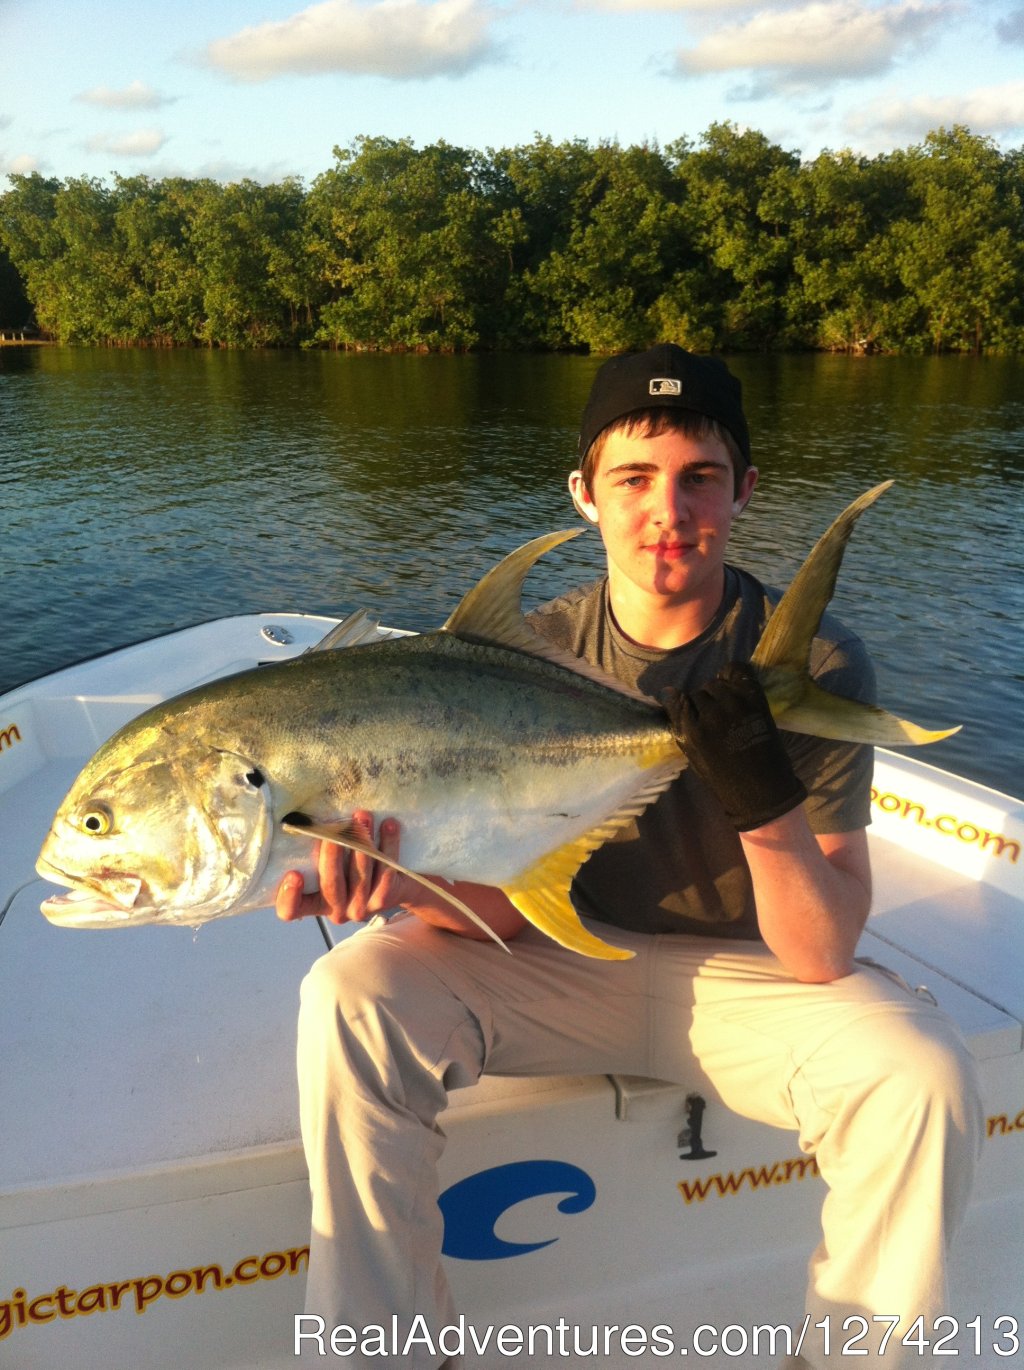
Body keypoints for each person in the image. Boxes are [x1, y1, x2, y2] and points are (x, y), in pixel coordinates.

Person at [276, 344, 982, 1368]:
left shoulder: (814, 656)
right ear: (584, 493)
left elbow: (822, 948)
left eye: (700, 476)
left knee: (920, 1072)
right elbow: (510, 911)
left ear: (744, 489)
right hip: (562, 961)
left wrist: (759, 792)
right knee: (351, 991)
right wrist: (399, 880)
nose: (668, 510)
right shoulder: (522, 655)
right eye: (633, 478)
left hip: (754, 978)